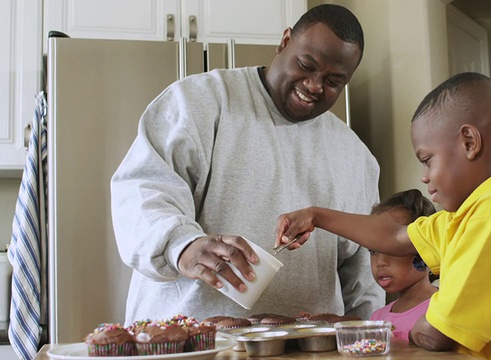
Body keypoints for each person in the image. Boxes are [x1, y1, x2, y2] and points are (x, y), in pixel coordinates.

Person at [110, 4, 384, 325]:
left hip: (307, 350)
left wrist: (365, 326)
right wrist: (183, 247)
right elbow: (143, 191)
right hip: (185, 344)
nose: (314, 85)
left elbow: (366, 267)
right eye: (306, 65)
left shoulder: (355, 157)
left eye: (334, 81)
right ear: (284, 42)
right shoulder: (200, 101)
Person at [274, 72, 491, 359]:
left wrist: (397, 332)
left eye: (427, 160)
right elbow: (393, 236)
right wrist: (315, 216)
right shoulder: (468, 215)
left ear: (469, 142)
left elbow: (438, 333)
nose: (424, 177)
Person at [367, 189, 438, 343]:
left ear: (425, 248)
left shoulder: (441, 310)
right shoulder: (377, 318)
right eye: (373, 251)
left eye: (392, 249)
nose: (380, 262)